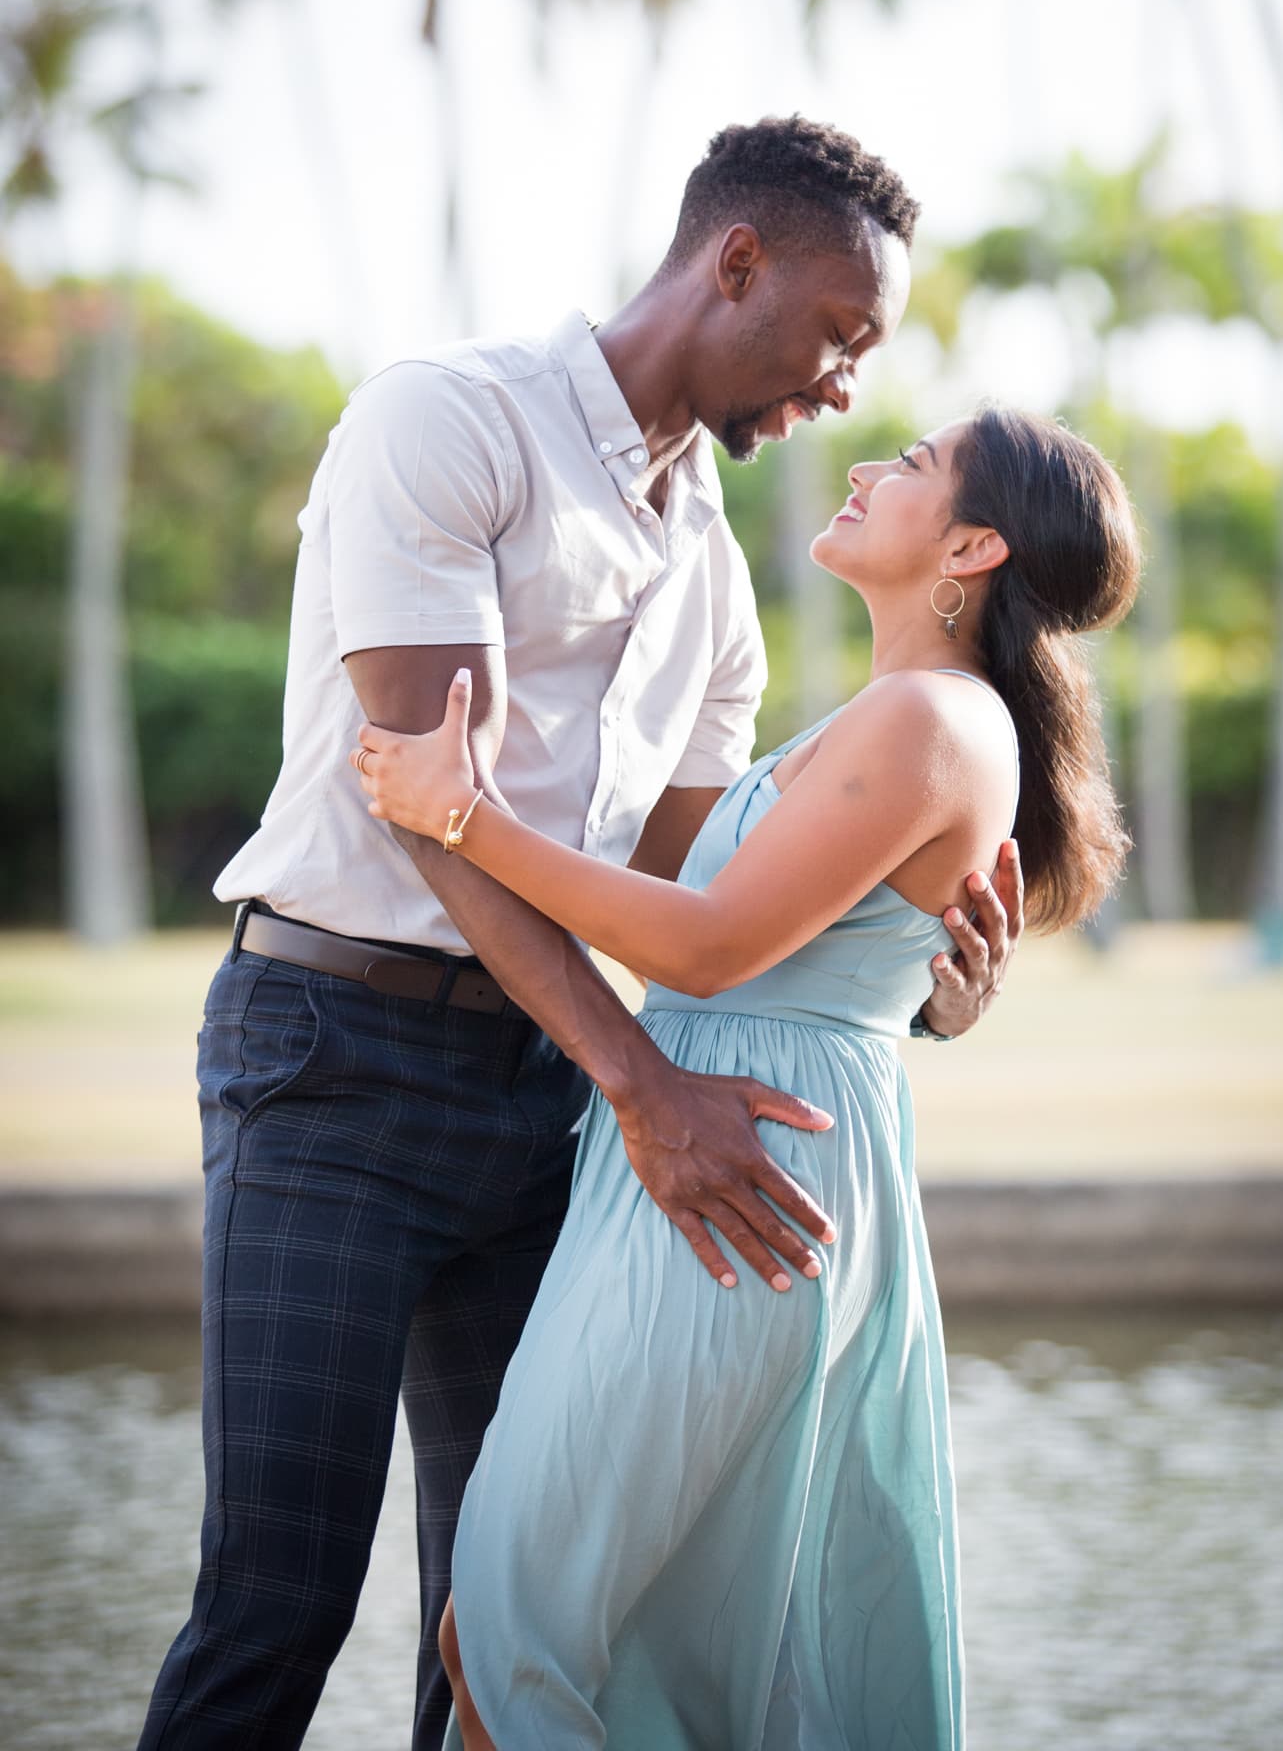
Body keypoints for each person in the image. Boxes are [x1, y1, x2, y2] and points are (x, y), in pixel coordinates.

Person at [137, 117, 1022, 1751]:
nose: (842, 390)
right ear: (732, 263)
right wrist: (639, 1083)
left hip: (552, 1105)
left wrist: (921, 995)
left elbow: (700, 911)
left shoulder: (718, 585)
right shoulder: (447, 421)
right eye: (838, 336)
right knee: (276, 1596)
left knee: (505, 1623)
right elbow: (427, 797)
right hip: (334, 1063)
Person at [351, 404, 1141, 1750]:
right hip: (725, 1164)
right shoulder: (912, 714)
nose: (862, 464)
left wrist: (461, 816)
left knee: (514, 1637)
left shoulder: (927, 720)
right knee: (581, 1651)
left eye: (908, 466)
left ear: (971, 546)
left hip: (733, 1186)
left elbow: (710, 949)